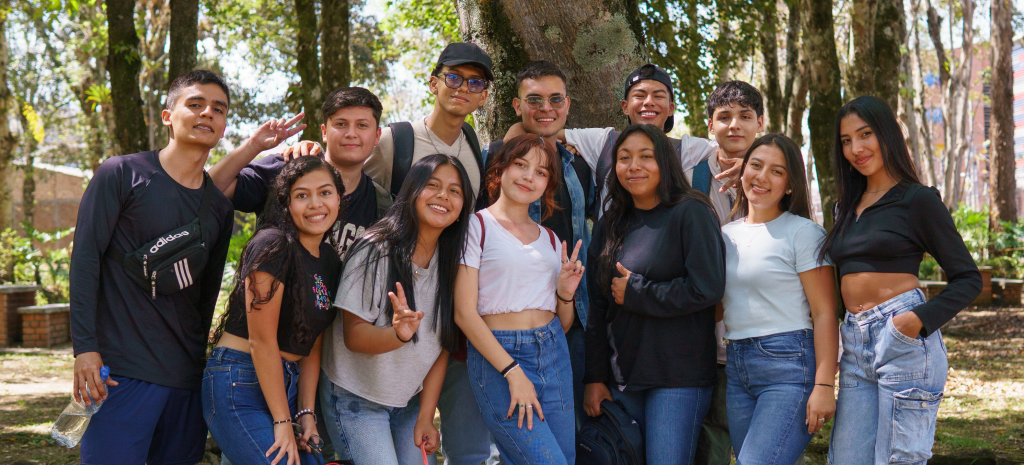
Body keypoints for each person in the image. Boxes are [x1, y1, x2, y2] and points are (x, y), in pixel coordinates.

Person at [281, 44, 499, 464]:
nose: (443, 197)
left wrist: (424, 412)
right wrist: (300, 153)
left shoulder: (473, 151)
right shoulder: (391, 142)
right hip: (348, 349)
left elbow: (438, 342)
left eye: (475, 82)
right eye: (453, 77)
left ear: (485, 94)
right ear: (434, 82)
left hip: (406, 392)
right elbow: (343, 169)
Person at [69, 70, 236, 464]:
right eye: (195, 104)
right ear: (168, 115)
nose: (207, 113)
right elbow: (85, 261)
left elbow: (206, 295)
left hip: (184, 378)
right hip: (119, 372)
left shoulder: (219, 209)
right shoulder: (121, 174)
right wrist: (85, 349)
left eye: (219, 109)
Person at [821, 96, 981, 464]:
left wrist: (914, 322)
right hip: (855, 343)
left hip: (903, 340)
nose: (856, 148)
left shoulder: (918, 200)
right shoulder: (843, 206)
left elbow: (967, 279)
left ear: (887, 135)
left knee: (899, 460)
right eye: (846, 140)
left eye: (865, 134)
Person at [319, 154, 474, 465]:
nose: (443, 195)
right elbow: (355, 337)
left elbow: (443, 346)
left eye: (455, 191)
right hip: (356, 397)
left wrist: (427, 415)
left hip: (407, 403)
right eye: (433, 185)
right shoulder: (375, 249)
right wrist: (397, 336)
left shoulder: (453, 262)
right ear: (412, 192)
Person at [584, 124, 725, 465]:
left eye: (646, 157)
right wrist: (595, 377)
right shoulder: (610, 223)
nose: (634, 166)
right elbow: (598, 308)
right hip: (623, 378)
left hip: (678, 376)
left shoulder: (691, 212)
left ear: (665, 162)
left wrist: (638, 293)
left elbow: (707, 289)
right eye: (624, 158)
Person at [204, 155, 344, 465]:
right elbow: (261, 340)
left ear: (338, 198)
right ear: (286, 203)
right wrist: (283, 421)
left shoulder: (330, 261)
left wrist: (306, 414)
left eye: (325, 192)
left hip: (287, 383)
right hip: (239, 379)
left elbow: (312, 341)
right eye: (301, 195)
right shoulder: (272, 245)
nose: (315, 204)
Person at [454, 134, 585, 464]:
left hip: (553, 352)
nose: (529, 176)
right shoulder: (475, 226)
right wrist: (514, 373)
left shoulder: (553, 240)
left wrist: (565, 295)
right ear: (500, 170)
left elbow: (563, 323)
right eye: (521, 165)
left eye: (541, 172)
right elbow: (464, 314)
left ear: (548, 184)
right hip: (500, 358)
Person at [483, 61, 594, 428]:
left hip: (570, 316)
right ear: (517, 106)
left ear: (567, 105)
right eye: (534, 100)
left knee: (569, 430)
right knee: (514, 434)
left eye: (555, 99)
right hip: (508, 326)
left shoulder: (577, 164)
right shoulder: (493, 158)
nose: (546, 108)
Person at [720, 133, 839, 464]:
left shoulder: (803, 233)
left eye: (776, 171)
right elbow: (716, 306)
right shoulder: (725, 234)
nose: (761, 177)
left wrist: (825, 385)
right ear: (742, 171)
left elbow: (826, 313)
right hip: (737, 365)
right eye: (755, 165)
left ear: (790, 185)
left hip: (788, 365)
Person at [210, 86, 391, 259]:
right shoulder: (287, 168)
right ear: (324, 132)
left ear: (377, 136)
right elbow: (210, 189)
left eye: (362, 125)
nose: (351, 133)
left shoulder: (382, 206)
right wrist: (254, 145)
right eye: (341, 124)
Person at [692, 80, 767, 465]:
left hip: (768, 339)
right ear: (710, 126)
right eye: (724, 117)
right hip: (710, 340)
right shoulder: (692, 178)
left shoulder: (780, 177)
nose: (734, 125)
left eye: (745, 117)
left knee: (772, 444)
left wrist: (755, 181)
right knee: (711, 441)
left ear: (760, 123)